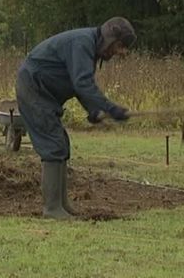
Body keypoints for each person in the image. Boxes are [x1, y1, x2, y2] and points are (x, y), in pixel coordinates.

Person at [15, 17, 136, 219]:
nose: (121, 52)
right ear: (109, 38)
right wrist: (111, 108)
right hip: (34, 90)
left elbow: (77, 84)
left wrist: (93, 111)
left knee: (61, 143)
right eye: (120, 46)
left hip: (44, 93)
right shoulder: (82, 43)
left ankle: (62, 204)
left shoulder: (88, 47)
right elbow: (82, 83)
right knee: (53, 145)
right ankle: (52, 209)